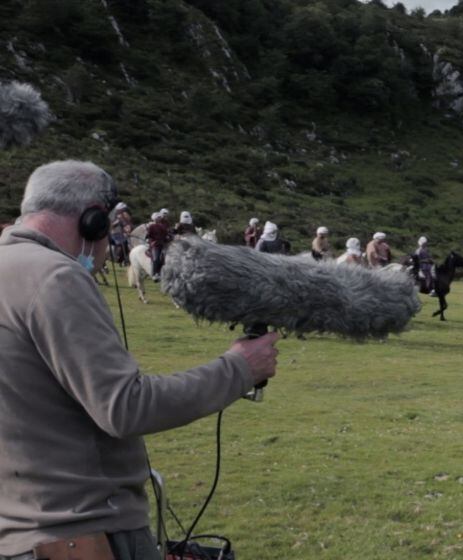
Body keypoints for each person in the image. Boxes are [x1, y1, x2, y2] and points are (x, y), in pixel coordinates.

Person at [0, 160, 280, 560]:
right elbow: (125, 407)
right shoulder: (55, 277)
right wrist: (239, 368)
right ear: (93, 220)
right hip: (83, 535)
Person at [145, 211, 171, 281]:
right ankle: (154, 274)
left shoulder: (162, 226)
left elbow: (166, 234)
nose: (160, 219)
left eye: (159, 218)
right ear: (155, 219)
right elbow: (148, 236)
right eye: (158, 218)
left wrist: (168, 237)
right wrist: (150, 240)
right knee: (156, 259)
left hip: (163, 244)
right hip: (155, 245)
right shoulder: (151, 226)